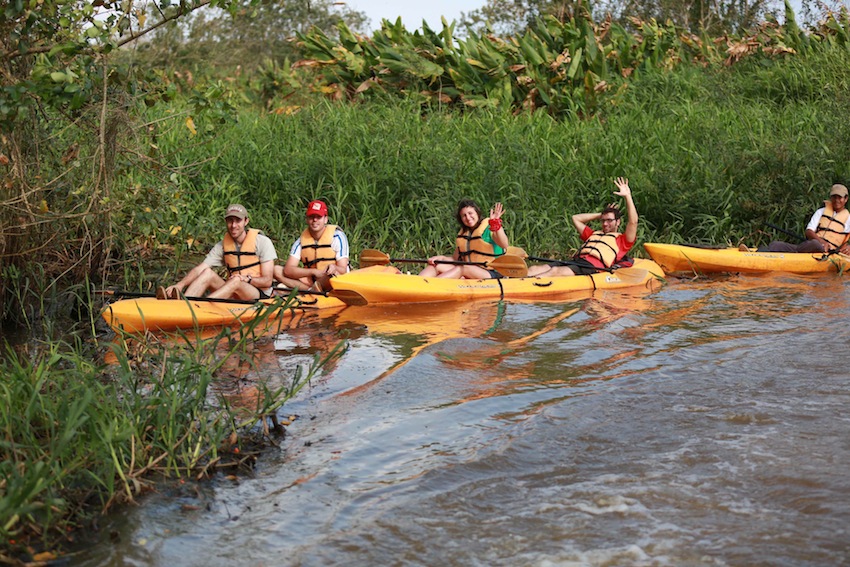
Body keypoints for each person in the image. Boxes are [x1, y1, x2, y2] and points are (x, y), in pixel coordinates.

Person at [160, 204, 277, 300]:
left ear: (246, 221)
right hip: (233, 291)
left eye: (238, 221)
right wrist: (180, 284)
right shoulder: (222, 246)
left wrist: (247, 279)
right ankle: (185, 304)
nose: (233, 225)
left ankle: (201, 307)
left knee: (236, 280)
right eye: (230, 221)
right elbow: (200, 268)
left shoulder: (262, 242)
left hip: (258, 295)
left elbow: (267, 281)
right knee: (207, 273)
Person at [527, 177, 638, 277]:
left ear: (617, 222)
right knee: (535, 268)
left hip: (591, 267)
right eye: (603, 220)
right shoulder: (593, 234)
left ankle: (527, 287)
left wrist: (628, 196)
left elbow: (633, 222)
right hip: (576, 261)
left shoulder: (623, 241)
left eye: (609, 220)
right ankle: (514, 283)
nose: (605, 224)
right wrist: (601, 214)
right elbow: (576, 218)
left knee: (555, 271)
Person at [419, 200, 509, 279]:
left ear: (477, 213)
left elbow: (504, 244)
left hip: (491, 272)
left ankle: (431, 286)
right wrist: (441, 258)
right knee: (436, 266)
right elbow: (455, 259)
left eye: (470, 213)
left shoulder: (489, 229)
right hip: (470, 269)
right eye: (464, 215)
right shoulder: (464, 235)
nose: (468, 218)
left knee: (463, 268)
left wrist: (495, 224)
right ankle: (416, 283)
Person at [274, 199, 350, 291]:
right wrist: (313, 272)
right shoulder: (301, 241)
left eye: (318, 217)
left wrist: (333, 267)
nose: (315, 220)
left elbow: (343, 269)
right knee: (276, 270)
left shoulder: (337, 237)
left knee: (334, 274)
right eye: (311, 217)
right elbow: (288, 270)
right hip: (312, 279)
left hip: (331, 278)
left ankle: (308, 290)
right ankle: (311, 290)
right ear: (307, 219)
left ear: (325, 219)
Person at [758, 184, 850, 254]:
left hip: (829, 252)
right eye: (834, 197)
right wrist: (822, 242)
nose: (837, 200)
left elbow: (846, 243)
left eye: (840, 197)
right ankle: (763, 252)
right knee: (776, 244)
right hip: (813, 245)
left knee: (815, 244)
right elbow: (809, 231)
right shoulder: (821, 212)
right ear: (830, 198)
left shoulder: (848, 218)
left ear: (846, 199)